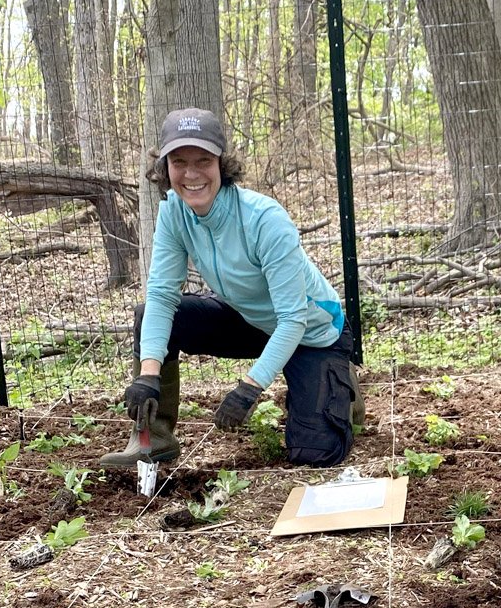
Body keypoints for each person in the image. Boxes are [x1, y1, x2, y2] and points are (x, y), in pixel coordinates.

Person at [100, 107, 364, 470]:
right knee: (150, 313)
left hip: (311, 333)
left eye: (203, 161)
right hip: (249, 318)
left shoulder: (265, 219)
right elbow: (161, 294)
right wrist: (148, 375)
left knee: (315, 453)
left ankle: (339, 384)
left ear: (222, 165)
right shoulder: (174, 211)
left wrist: (249, 388)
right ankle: (153, 439)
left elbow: (293, 319)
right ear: (165, 168)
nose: (191, 174)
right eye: (179, 162)